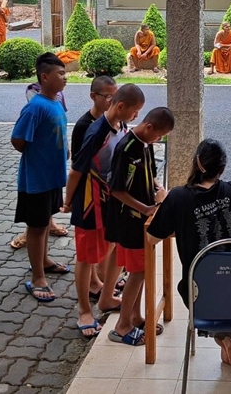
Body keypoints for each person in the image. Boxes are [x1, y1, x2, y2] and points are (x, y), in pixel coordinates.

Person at [147, 139, 231, 369]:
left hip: (204, 299)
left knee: (186, 285)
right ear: (223, 167)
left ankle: (223, 334)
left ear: (197, 163)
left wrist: (164, 204)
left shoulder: (178, 198)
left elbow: (152, 238)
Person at [64, 83, 145, 336]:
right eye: (135, 111)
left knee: (114, 246)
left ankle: (107, 297)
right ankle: (84, 311)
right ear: (120, 106)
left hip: (112, 201)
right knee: (86, 257)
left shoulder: (121, 126)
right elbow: (76, 170)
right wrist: (67, 201)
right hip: (90, 203)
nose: (137, 116)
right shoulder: (96, 132)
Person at [107, 107, 175, 346]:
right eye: (159, 135)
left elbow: (149, 175)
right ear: (149, 126)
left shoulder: (145, 144)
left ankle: (135, 317)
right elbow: (117, 190)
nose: (159, 139)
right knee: (137, 272)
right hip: (129, 221)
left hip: (142, 221)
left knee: (141, 270)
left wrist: (158, 188)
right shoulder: (126, 149)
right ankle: (122, 326)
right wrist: (145, 208)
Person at [11, 53, 71, 303]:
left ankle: (44, 261)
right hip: (36, 180)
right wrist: (38, 155)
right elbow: (18, 139)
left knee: (45, 222)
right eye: (61, 74)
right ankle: (37, 277)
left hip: (52, 177)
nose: (65, 78)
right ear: (44, 77)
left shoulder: (55, 101)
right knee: (36, 228)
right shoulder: (35, 107)